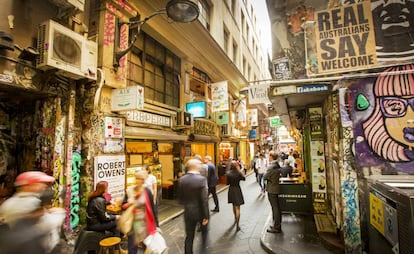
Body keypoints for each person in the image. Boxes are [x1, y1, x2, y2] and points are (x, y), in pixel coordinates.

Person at [0, 171, 65, 254]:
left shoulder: (9, 203)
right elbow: (40, 225)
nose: (44, 186)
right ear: (30, 185)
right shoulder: (30, 202)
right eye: (41, 183)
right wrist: (57, 216)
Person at [122, 170, 158, 254]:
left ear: (144, 180)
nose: (138, 181)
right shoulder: (130, 191)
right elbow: (123, 206)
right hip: (133, 223)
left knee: (147, 246)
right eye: (137, 178)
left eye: (141, 179)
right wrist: (129, 204)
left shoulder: (147, 192)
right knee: (132, 247)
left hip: (145, 223)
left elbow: (152, 209)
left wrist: (156, 224)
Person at [178, 159, 209, 254]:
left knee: (189, 237)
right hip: (200, 212)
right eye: (198, 165)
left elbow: (180, 199)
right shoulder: (201, 179)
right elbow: (204, 200)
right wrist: (206, 216)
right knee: (204, 234)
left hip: (188, 212)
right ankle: (203, 251)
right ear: (195, 167)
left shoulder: (182, 180)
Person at [264, 152, 282, 233]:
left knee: (275, 208)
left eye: (269, 156)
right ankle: (276, 224)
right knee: (276, 207)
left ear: (271, 157)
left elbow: (265, 177)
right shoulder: (277, 165)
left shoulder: (271, 167)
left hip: (272, 188)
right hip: (276, 187)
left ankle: (276, 227)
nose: (268, 157)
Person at [226, 160, 246, 231]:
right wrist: (241, 172)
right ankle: (237, 224)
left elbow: (227, 183)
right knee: (238, 208)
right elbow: (244, 179)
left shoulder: (228, 173)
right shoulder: (238, 173)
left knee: (233, 205)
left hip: (231, 190)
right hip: (237, 189)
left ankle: (235, 218)